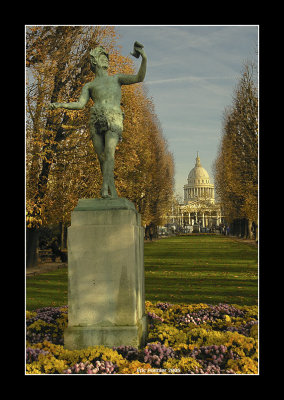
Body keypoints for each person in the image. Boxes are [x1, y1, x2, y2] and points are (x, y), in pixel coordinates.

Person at [49, 42, 147, 198]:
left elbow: (139, 77)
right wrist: (60, 104)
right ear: (94, 62)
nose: (106, 60)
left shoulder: (117, 79)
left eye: (107, 58)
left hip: (113, 118)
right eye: (103, 57)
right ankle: (112, 191)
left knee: (109, 153)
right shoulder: (89, 85)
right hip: (95, 120)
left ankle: (104, 188)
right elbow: (80, 104)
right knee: (102, 158)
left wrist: (144, 58)